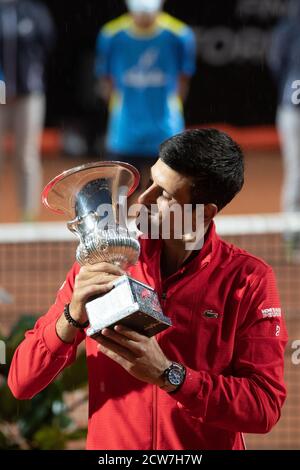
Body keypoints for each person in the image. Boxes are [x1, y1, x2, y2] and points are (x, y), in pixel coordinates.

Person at [8, 128, 287, 450]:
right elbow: (21, 382)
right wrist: (70, 318)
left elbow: (264, 407)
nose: (144, 198)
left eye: (165, 194)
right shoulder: (105, 261)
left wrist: (170, 376)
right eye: (150, 179)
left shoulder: (248, 280)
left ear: (204, 213)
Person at [95, 0, 196, 195]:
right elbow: (107, 83)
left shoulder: (180, 35)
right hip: (124, 135)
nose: (144, 17)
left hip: (166, 133)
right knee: (119, 200)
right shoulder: (111, 35)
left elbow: (182, 83)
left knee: (168, 199)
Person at [0, 0, 55, 221]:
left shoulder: (35, 13)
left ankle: (28, 215)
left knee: (26, 156)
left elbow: (47, 44)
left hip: (29, 95)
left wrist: (26, 76)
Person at [267, 0, 300, 259]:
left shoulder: (287, 27)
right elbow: (276, 63)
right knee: (297, 172)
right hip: (294, 110)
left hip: (291, 108)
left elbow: (275, 64)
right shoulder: (289, 28)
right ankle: (293, 236)